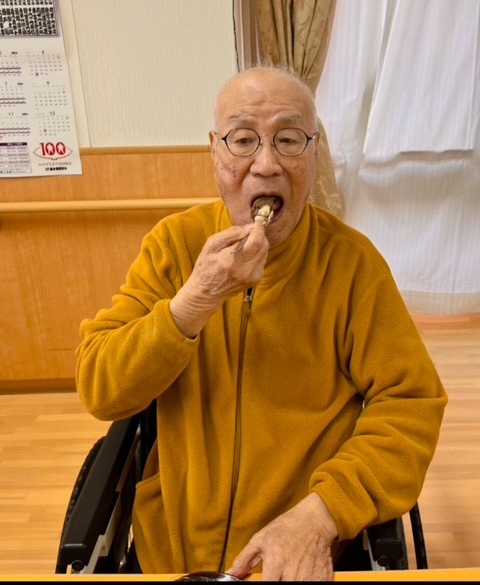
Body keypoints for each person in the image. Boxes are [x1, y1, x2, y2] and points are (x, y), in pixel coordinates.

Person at [75, 65, 447, 581]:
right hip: (171, 552)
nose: (266, 164)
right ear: (215, 151)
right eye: (243, 140)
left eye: (289, 140)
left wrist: (322, 514)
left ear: (314, 155)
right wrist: (193, 302)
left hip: (296, 557)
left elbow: (412, 404)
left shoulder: (352, 265)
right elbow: (100, 388)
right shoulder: (174, 245)